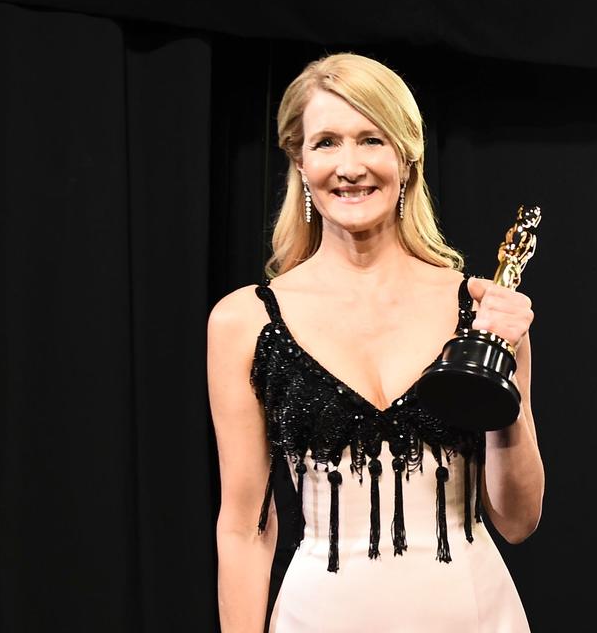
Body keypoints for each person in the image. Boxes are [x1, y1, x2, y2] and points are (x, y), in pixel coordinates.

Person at [207, 53, 544, 632]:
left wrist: (504, 377)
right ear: (300, 161)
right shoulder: (245, 321)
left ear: (407, 158)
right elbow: (244, 529)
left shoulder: (482, 309)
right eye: (327, 142)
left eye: (371, 139)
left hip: (474, 615)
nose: (350, 165)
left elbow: (517, 520)